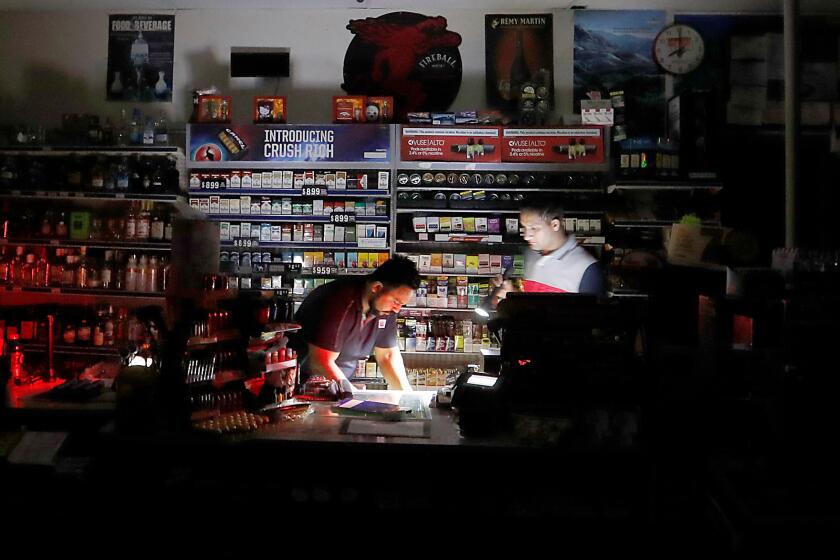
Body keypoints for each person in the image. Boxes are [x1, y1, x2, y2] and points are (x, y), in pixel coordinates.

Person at [294, 256, 418, 397]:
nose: (397, 309)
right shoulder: (340, 300)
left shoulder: (384, 308)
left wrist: (409, 397)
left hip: (336, 388)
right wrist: (352, 396)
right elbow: (321, 362)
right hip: (305, 388)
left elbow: (388, 356)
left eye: (402, 304)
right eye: (396, 301)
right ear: (376, 287)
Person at [493, 200, 605, 301]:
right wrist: (512, 294)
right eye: (524, 228)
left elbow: (591, 321)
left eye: (534, 228)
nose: (526, 236)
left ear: (555, 225)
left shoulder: (587, 269)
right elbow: (534, 306)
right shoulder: (530, 254)